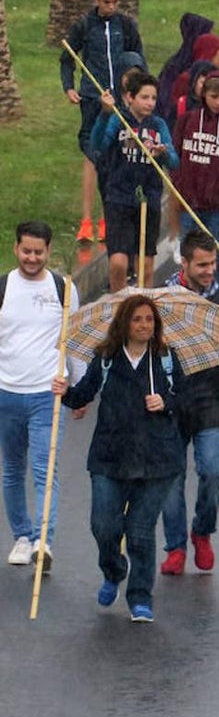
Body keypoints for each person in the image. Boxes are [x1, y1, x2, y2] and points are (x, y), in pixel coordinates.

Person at [54, 295, 185, 623]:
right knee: (103, 525)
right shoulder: (107, 358)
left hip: (157, 460)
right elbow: (84, 393)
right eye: (137, 319)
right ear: (124, 323)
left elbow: (186, 399)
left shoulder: (166, 359)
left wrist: (166, 403)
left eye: (149, 320)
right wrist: (64, 391)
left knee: (140, 531)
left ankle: (140, 596)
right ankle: (113, 570)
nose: (144, 326)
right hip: (109, 458)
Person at [159, 231, 219, 576]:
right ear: (184, 263)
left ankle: (202, 530)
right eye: (202, 264)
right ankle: (175, 546)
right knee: (170, 479)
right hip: (170, 401)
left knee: (213, 470)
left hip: (214, 399)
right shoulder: (162, 301)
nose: (209, 270)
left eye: (213, 263)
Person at [1, 222, 81, 569]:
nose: (32, 258)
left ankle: (42, 542)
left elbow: (75, 341)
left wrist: (77, 387)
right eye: (26, 251)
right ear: (16, 248)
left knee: (44, 469)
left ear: (48, 251)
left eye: (38, 252)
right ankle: (21, 534)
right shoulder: (3, 287)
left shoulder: (64, 289)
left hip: (48, 394)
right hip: (7, 392)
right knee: (12, 468)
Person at [59, 0, 145, 244]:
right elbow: (67, 57)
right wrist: (69, 87)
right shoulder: (85, 26)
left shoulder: (125, 25)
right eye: (107, 2)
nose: (112, 7)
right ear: (96, 0)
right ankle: (87, 220)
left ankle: (109, 217)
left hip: (119, 98)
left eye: (116, 2)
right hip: (92, 98)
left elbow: (138, 58)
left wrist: (137, 92)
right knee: (92, 153)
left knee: (116, 154)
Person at [89, 73, 178, 292]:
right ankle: (119, 309)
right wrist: (104, 114)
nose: (150, 103)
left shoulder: (158, 125)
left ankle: (143, 313)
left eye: (153, 98)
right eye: (144, 97)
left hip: (149, 200)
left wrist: (163, 152)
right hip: (118, 197)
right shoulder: (118, 119)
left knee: (145, 267)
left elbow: (175, 162)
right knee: (119, 263)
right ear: (130, 97)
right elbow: (97, 144)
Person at [172, 72, 219, 247]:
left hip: (217, 203)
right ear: (204, 94)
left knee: (214, 250)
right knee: (188, 251)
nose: (218, 102)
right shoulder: (187, 120)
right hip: (188, 200)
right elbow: (175, 155)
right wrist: (179, 183)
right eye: (214, 97)